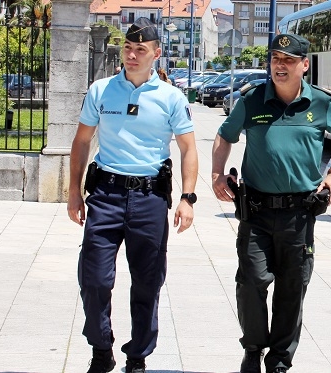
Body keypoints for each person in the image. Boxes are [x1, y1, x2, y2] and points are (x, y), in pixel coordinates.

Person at [211, 34, 331, 373]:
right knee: (251, 281)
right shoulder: (252, 99)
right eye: (276, 58)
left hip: (299, 214)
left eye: (289, 60)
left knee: (292, 288)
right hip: (256, 211)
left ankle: (279, 361)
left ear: (305, 65)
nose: (280, 65)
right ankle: (253, 349)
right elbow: (225, 135)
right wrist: (217, 174)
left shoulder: (321, 103)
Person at [67, 17, 199, 373]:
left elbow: (188, 149)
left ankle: (137, 355)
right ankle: (101, 347)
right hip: (105, 196)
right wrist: (73, 193)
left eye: (141, 49)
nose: (132, 55)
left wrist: (188, 198)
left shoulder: (171, 97)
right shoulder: (101, 90)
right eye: (128, 47)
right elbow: (81, 142)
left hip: (149, 199)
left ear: (156, 53)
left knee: (148, 281)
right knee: (94, 280)